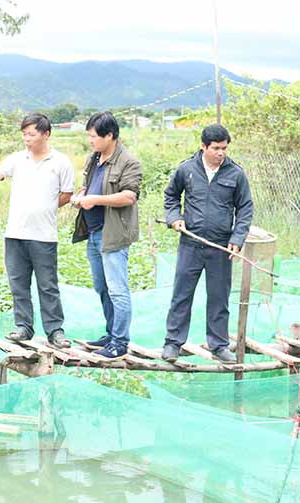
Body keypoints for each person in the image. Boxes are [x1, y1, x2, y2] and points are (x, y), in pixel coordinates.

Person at [0, 113, 74, 349]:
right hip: (15, 235)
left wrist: (45, 208)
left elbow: (66, 195)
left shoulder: (61, 162)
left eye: (32, 134)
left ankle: (55, 331)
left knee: (47, 285)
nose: (27, 139)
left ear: (46, 134)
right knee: (18, 284)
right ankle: (23, 327)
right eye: (24, 134)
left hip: (44, 236)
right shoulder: (17, 160)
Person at [160, 124, 254, 363]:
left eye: (224, 148)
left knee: (219, 297)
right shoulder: (186, 169)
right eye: (216, 148)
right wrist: (175, 218)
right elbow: (171, 196)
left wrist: (237, 238)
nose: (221, 153)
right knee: (182, 295)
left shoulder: (235, 174)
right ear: (203, 146)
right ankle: (173, 343)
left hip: (220, 247)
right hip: (191, 243)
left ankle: (219, 345)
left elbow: (245, 208)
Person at [71, 111, 143, 359]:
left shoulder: (128, 162)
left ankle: (120, 341)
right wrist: (81, 196)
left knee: (117, 289)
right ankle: (111, 332)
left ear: (109, 135)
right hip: (92, 232)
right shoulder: (94, 159)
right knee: (101, 287)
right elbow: (88, 184)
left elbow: (129, 196)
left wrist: (95, 199)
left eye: (93, 136)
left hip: (112, 233)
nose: (90, 140)